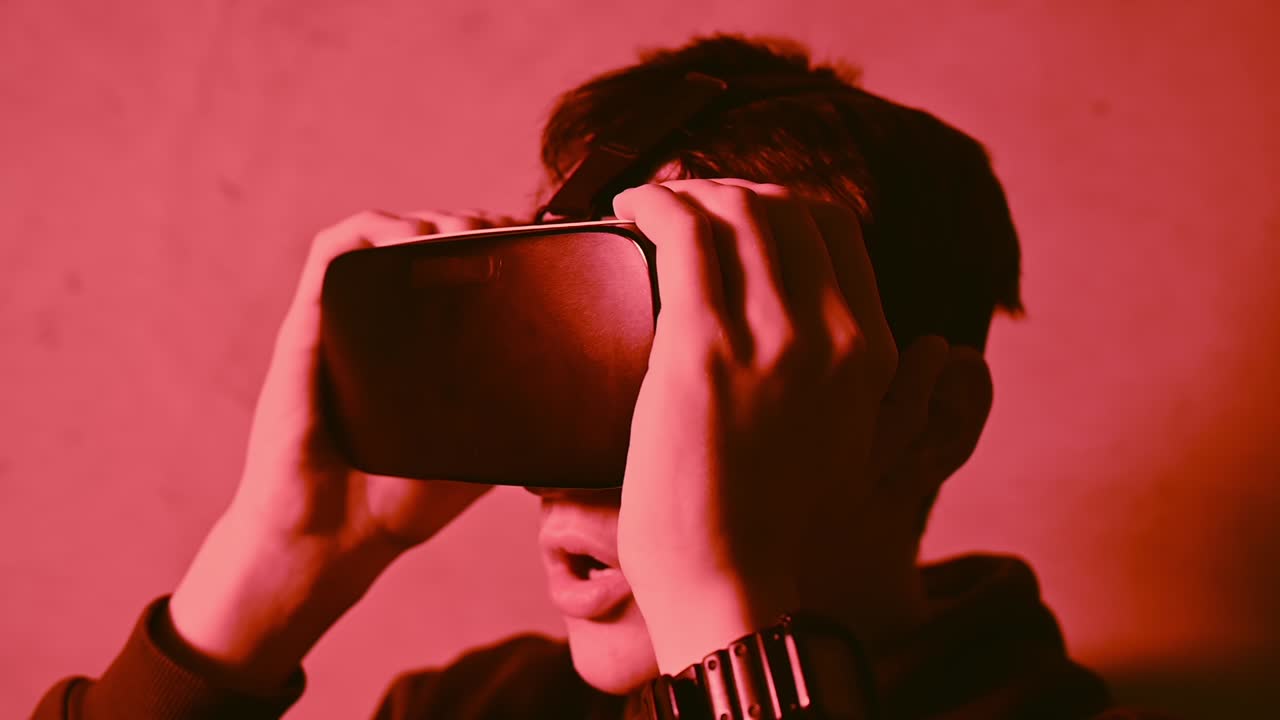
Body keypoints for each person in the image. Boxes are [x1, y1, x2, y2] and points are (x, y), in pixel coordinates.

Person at [32, 34, 1172, 720]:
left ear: (927, 421)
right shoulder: (471, 711)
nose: (570, 467)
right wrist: (269, 573)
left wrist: (723, 619)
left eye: (693, 370)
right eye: (571, 360)